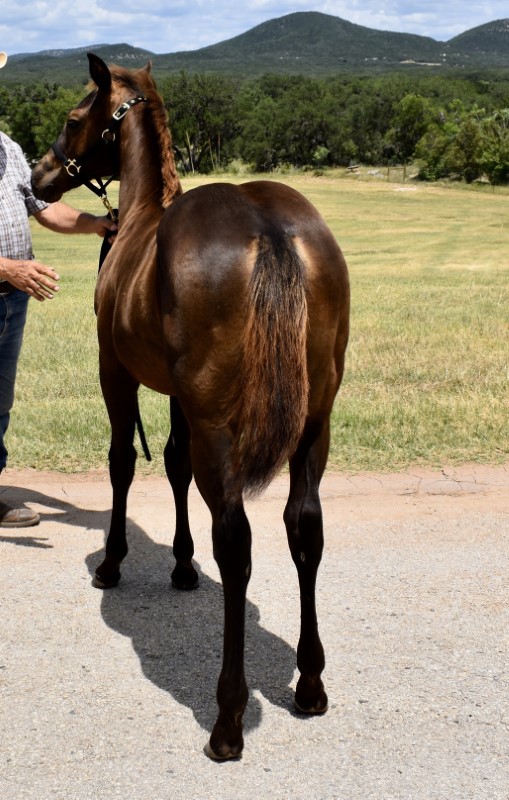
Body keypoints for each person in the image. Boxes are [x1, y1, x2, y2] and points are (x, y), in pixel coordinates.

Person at [0, 50, 116, 527]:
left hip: (11, 302)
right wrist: (8, 267)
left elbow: (43, 208)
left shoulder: (5, 148)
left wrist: (100, 224)